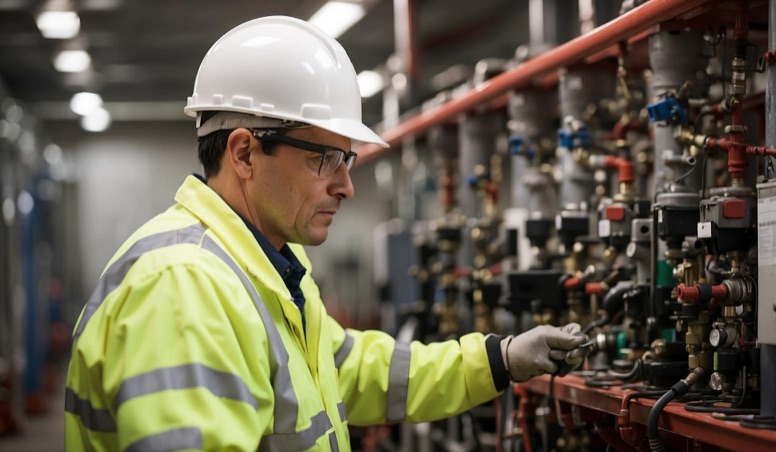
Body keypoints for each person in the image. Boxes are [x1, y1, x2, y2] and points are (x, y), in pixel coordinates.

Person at [64, 15, 590, 451]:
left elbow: (350, 370)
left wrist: (501, 358)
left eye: (349, 159)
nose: (346, 186)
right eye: (326, 159)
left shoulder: (265, 265)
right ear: (244, 153)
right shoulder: (185, 287)